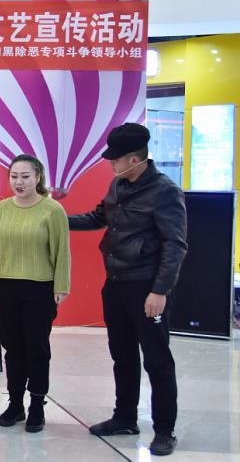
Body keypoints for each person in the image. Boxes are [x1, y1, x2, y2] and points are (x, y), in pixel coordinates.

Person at [68, 122, 187, 457]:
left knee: (157, 360)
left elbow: (175, 245)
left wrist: (160, 291)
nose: (111, 163)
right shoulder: (118, 184)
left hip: (147, 287)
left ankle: (164, 430)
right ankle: (124, 418)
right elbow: (98, 217)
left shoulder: (165, 191)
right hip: (116, 284)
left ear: (134, 160)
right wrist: (56, 218)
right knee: (122, 354)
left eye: (116, 159)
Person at [0, 154, 70, 433]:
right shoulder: (0, 209)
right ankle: (15, 404)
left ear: (38, 177)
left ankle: (37, 405)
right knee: (12, 347)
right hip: (7, 286)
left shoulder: (52, 210)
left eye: (25, 176)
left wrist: (61, 286)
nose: (18, 182)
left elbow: (62, 251)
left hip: (40, 288)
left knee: (37, 348)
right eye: (14, 176)